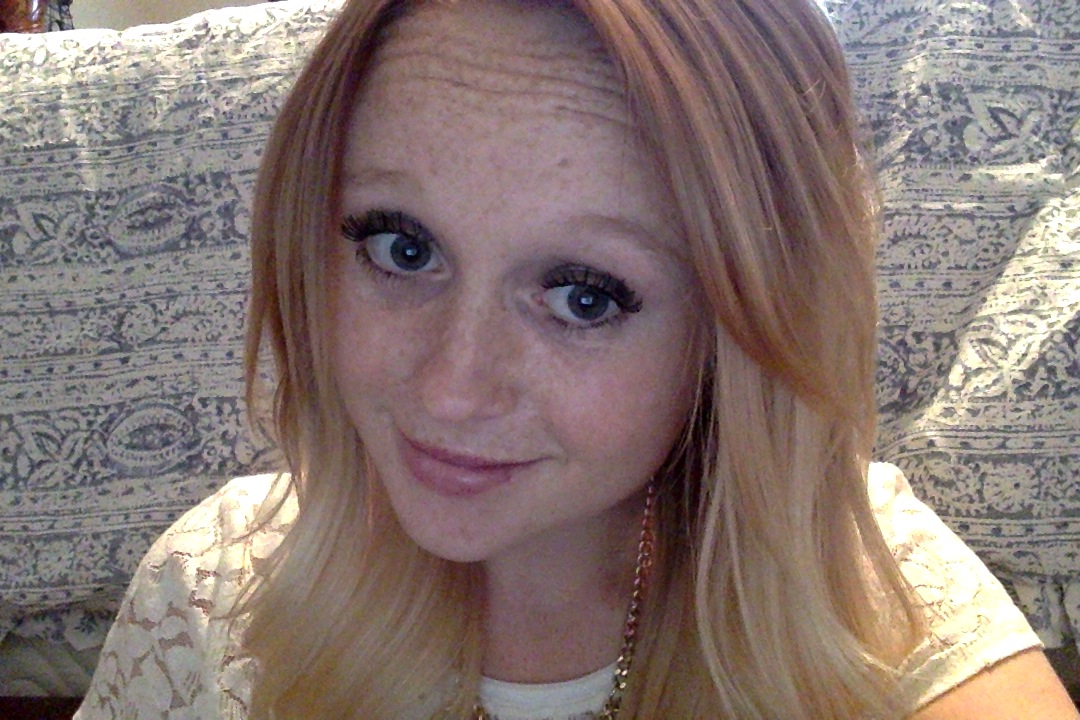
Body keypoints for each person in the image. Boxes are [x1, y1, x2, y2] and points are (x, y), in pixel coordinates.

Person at [75, 0, 1079, 718]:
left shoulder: (869, 606)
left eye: (582, 297)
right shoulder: (215, 598)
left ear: (738, 328)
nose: (451, 389)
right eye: (403, 249)